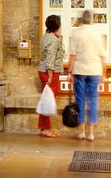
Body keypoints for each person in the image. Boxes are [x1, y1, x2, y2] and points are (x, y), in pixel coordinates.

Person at [67, 9, 106, 141]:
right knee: (93, 101)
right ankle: (91, 133)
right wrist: (104, 73)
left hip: (80, 71)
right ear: (92, 20)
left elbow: (73, 55)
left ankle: (81, 131)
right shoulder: (97, 34)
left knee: (80, 101)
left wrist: (69, 71)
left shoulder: (76, 33)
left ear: (81, 20)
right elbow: (102, 55)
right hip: (95, 70)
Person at [36, 14, 65, 138]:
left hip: (45, 70)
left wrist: (60, 38)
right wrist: (50, 75)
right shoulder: (53, 40)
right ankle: (45, 129)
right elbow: (50, 58)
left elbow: (55, 51)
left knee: (46, 99)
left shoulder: (46, 37)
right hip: (50, 72)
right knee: (47, 101)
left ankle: (45, 128)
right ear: (57, 26)